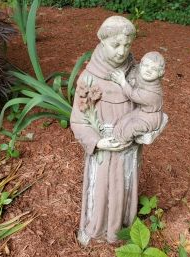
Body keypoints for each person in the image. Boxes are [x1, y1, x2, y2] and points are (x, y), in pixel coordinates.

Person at [70, 16, 140, 245]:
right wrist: (98, 142)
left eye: (127, 45)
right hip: (103, 147)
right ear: (102, 42)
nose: (122, 51)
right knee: (100, 190)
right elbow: (79, 120)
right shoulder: (90, 77)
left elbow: (147, 104)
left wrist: (144, 127)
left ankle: (122, 229)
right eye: (115, 44)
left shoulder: (134, 73)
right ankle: (96, 229)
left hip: (128, 145)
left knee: (125, 186)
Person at [110, 51, 165, 145]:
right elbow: (134, 69)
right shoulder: (142, 74)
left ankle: (120, 143)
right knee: (123, 121)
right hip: (140, 111)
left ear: (160, 73)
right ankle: (116, 135)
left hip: (150, 117)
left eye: (154, 69)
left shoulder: (153, 92)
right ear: (141, 65)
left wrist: (122, 82)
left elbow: (133, 95)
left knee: (132, 126)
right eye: (146, 65)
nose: (148, 70)